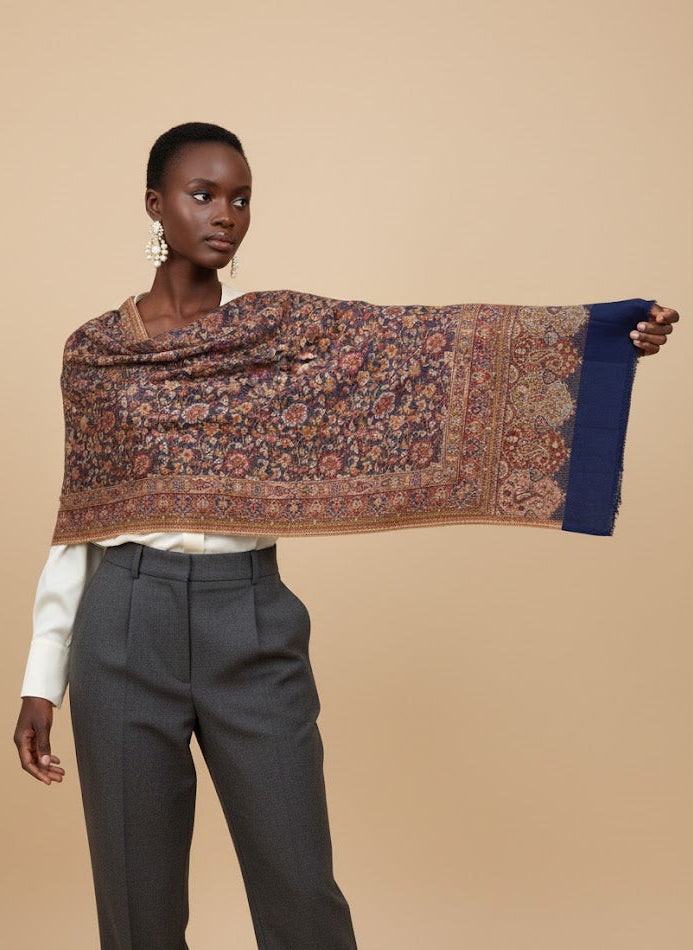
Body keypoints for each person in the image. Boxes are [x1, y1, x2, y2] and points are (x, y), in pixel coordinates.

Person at [13, 121, 680, 950]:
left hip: (247, 622)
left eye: (242, 198)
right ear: (155, 205)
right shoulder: (95, 356)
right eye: (203, 194)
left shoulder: (281, 335)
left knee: (300, 894)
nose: (226, 214)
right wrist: (42, 678)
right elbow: (82, 517)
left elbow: (425, 346)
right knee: (136, 911)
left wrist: (601, 339)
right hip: (119, 630)